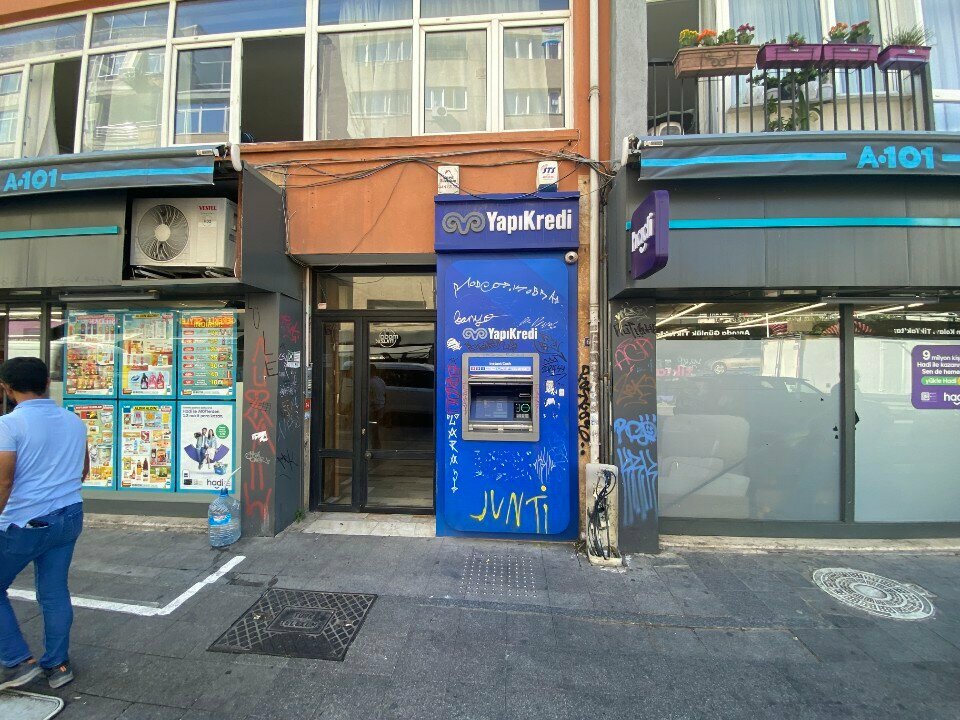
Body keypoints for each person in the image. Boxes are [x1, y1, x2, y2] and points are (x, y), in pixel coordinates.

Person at [0, 357, 87, 691]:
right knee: (54, 592)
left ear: (6, 388)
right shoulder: (73, 421)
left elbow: (4, 482)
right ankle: (58, 664)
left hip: (25, 523)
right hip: (70, 515)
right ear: (47, 384)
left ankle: (18, 662)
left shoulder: (9, 425)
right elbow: (83, 470)